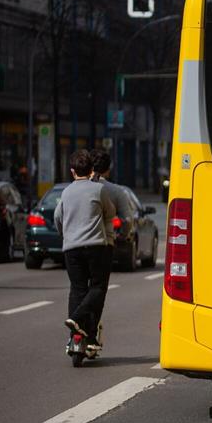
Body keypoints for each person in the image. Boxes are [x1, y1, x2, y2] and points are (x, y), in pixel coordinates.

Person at [55, 150, 115, 355]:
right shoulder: (98, 190)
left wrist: (66, 234)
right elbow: (110, 213)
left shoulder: (65, 192)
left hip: (71, 249)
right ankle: (78, 319)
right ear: (91, 170)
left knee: (78, 288)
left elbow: (58, 217)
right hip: (95, 246)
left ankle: (75, 337)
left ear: (72, 172)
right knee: (97, 287)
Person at [88, 148, 134, 346]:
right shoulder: (115, 191)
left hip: (75, 246)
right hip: (103, 244)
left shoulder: (75, 188)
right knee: (98, 290)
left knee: (79, 288)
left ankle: (76, 330)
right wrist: (122, 236)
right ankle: (89, 333)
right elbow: (128, 220)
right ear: (109, 168)